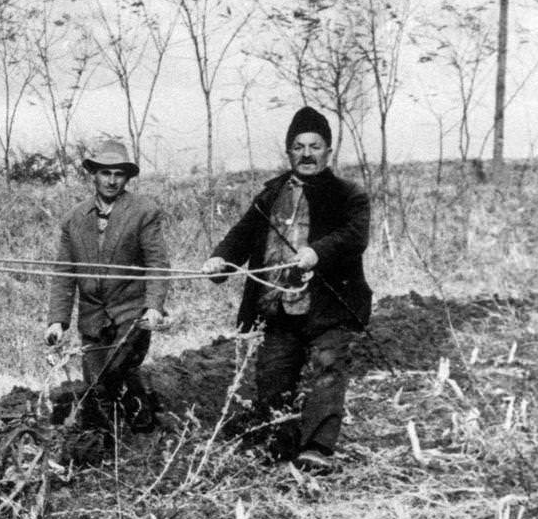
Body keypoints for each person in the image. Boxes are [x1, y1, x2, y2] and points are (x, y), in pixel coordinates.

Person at [202, 106, 372, 473]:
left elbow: (354, 236)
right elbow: (243, 234)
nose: (307, 154)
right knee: (273, 378)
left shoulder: (349, 195)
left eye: (315, 146)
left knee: (328, 368)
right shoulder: (270, 194)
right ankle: (280, 446)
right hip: (278, 307)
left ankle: (317, 450)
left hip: (328, 306)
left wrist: (317, 252)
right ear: (289, 151)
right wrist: (220, 260)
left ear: (328, 152)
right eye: (298, 146)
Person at [45, 139, 171, 436]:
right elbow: (64, 272)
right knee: (96, 385)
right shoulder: (74, 219)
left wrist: (153, 306)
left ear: (127, 178)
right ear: (94, 175)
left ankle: (141, 415)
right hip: (92, 315)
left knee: (113, 369)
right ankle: (108, 437)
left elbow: (158, 263)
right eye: (106, 173)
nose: (112, 180)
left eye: (118, 174)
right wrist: (57, 320)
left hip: (131, 310)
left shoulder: (144, 212)